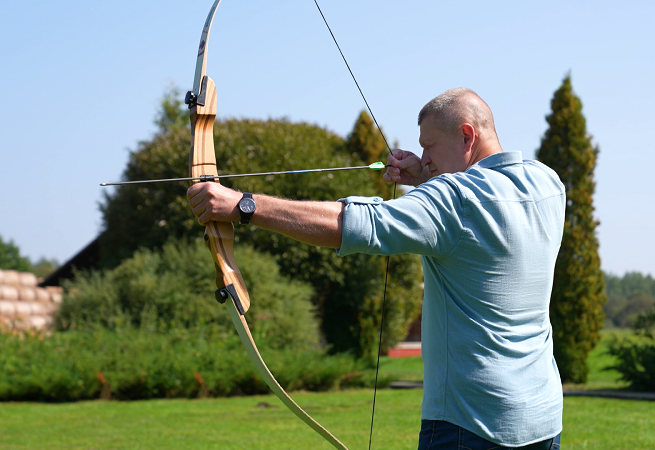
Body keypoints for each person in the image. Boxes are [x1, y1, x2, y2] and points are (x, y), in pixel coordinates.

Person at [187, 88, 565, 450]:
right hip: (543, 420)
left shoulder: (454, 200)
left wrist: (243, 205)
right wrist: (426, 178)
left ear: (467, 136)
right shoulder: (547, 183)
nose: (425, 157)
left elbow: (357, 224)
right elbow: (483, 210)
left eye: (429, 146)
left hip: (471, 423)